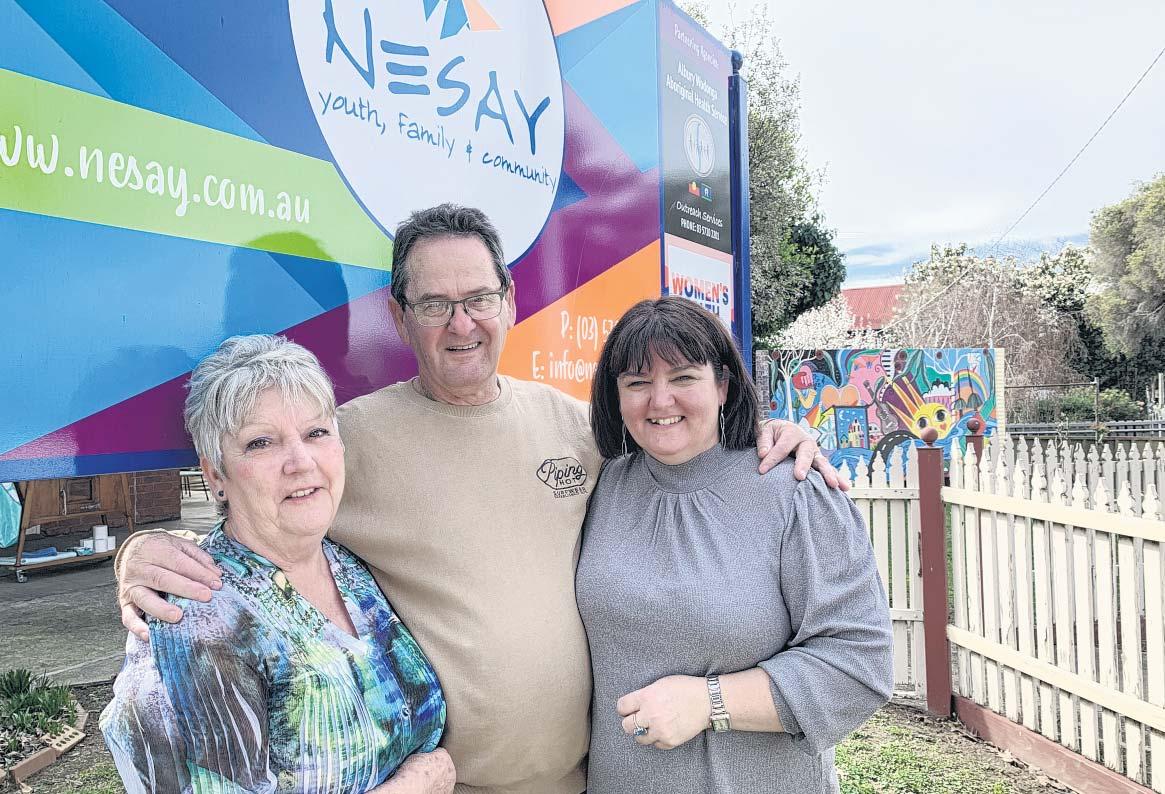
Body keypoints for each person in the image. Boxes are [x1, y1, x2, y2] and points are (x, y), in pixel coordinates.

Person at [115, 205, 844, 794]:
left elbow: (678, 445)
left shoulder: (577, 427)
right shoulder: (342, 439)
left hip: (591, 778)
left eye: (478, 299)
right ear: (399, 317)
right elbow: (264, 511)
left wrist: (769, 435)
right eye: (435, 303)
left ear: (509, 302)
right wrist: (139, 554)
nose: (461, 324)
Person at [100, 335, 452, 794]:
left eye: (316, 433)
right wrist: (416, 786)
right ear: (215, 474)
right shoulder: (197, 616)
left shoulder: (349, 562)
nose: (300, 462)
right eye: (261, 443)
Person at [576, 297, 894, 793]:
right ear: (615, 395)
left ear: (722, 385)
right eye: (637, 382)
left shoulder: (794, 490)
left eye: (683, 377)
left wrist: (710, 702)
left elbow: (860, 663)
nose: (660, 401)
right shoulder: (603, 486)